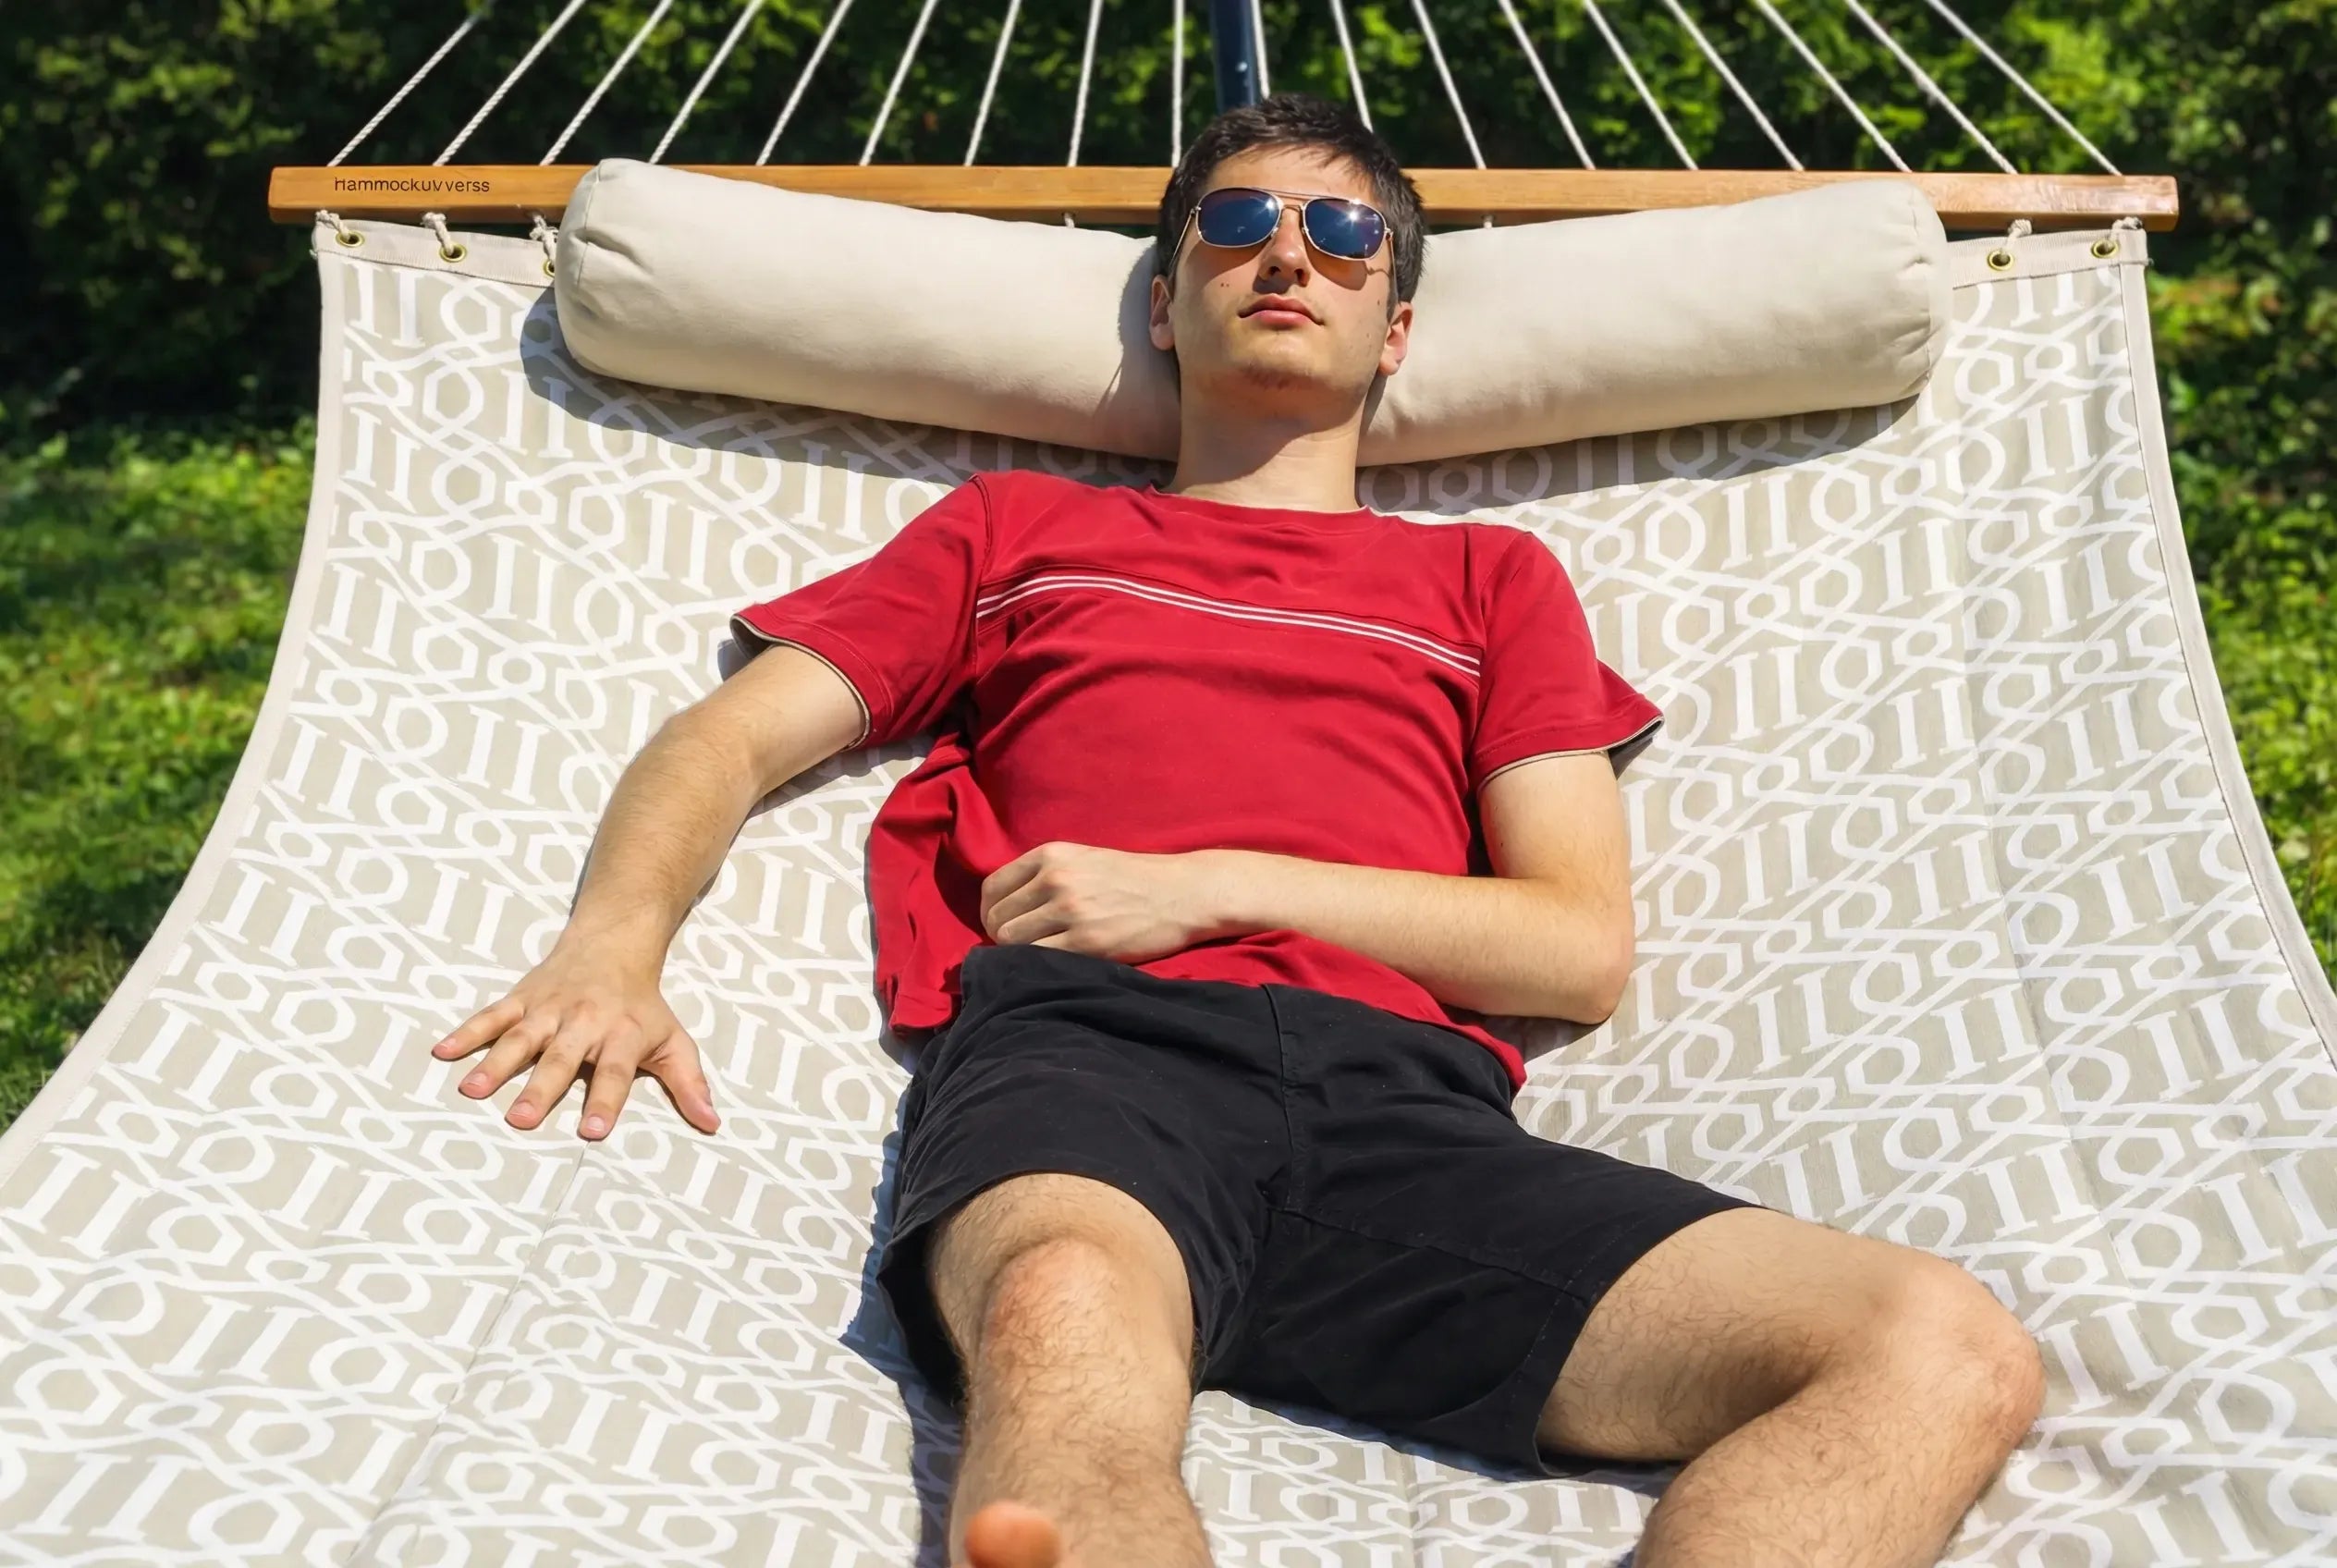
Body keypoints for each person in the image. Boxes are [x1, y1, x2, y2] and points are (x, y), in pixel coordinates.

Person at [428, 93, 2044, 1568]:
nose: (1290, 252)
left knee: (1940, 1348)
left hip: (1411, 1120)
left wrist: (1209, 887)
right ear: (1161, 299)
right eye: (1235, 223)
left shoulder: (1489, 584)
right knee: (1060, 1315)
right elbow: (732, 734)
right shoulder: (1020, 529)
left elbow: (1578, 945)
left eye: (1345, 237)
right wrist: (612, 945)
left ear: (1396, 324)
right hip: (1089, 1063)